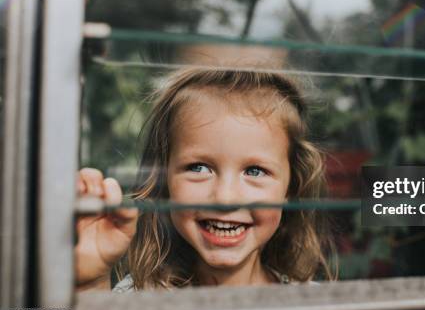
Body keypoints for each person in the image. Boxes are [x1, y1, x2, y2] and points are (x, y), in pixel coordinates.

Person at [75, 68, 335, 292]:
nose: (225, 197)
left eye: (255, 171)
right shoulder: (138, 300)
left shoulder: (315, 305)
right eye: (199, 168)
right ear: (166, 184)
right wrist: (91, 286)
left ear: (289, 189)